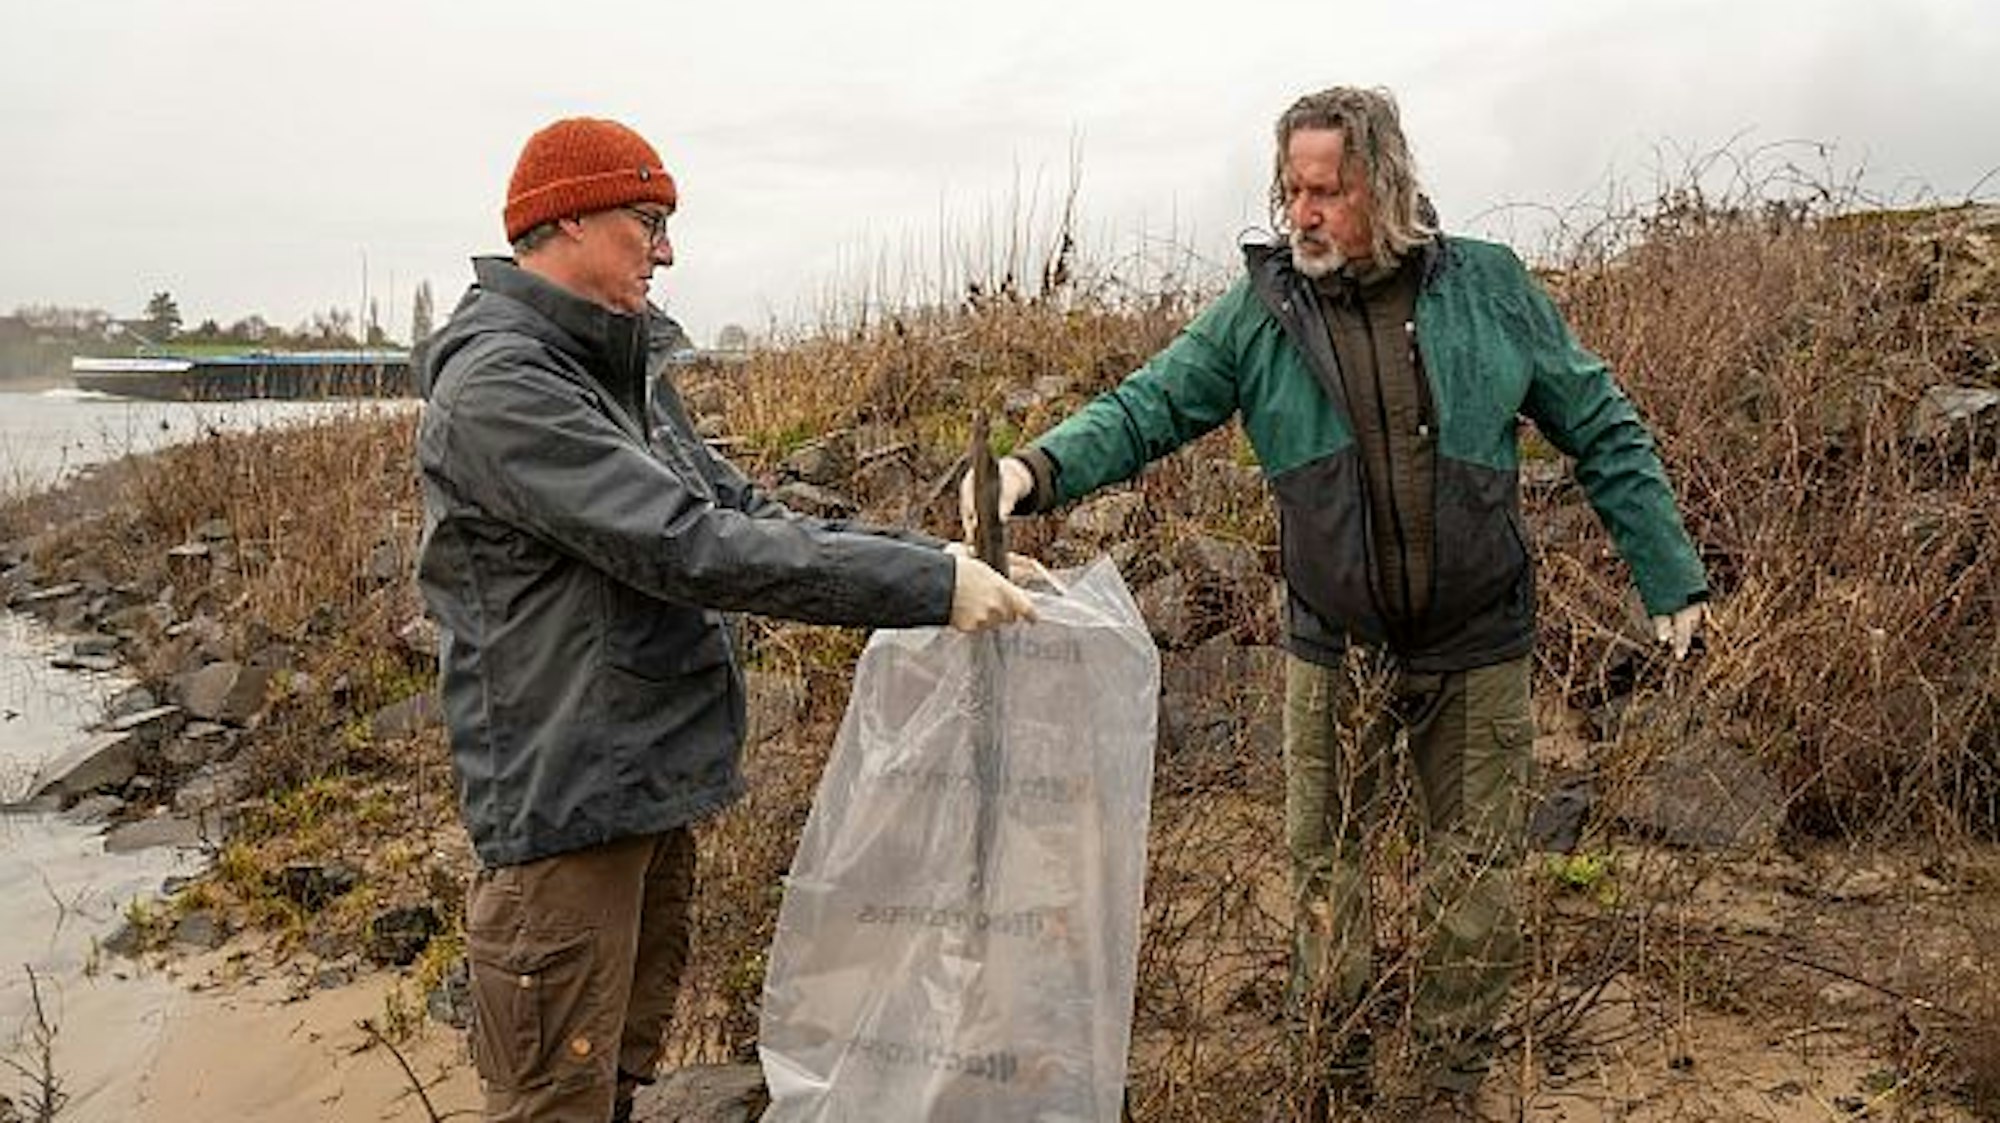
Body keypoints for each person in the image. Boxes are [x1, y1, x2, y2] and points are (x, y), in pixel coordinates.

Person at [963, 87, 1708, 1114]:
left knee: (1476, 874)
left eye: (1326, 191)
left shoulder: (1488, 289)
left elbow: (1601, 422)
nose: (1301, 213)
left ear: (1384, 187)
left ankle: (1448, 1083)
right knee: (1325, 874)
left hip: (1476, 642)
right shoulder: (1261, 313)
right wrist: (1032, 471)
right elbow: (1149, 403)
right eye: (1290, 190)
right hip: (1333, 648)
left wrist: (1665, 570)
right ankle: (1331, 1077)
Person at [416, 116, 1037, 1123]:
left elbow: (743, 511)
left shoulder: (615, 376)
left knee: (614, 1079)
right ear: (566, 220)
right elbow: (683, 544)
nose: (666, 249)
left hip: (639, 793)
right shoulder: (505, 388)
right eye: (646, 220)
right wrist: (922, 592)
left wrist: (932, 559)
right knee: (552, 1102)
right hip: (567, 811)